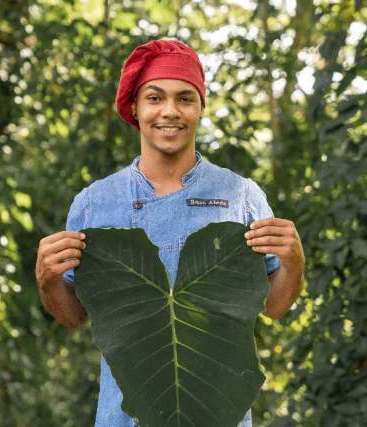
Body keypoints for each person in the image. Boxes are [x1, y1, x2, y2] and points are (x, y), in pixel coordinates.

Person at [35, 38, 305, 427]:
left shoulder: (240, 196)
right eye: (155, 98)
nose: (170, 112)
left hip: (218, 412)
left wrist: (294, 263)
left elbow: (274, 307)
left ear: (199, 109)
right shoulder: (96, 203)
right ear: (135, 108)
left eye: (185, 99)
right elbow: (74, 315)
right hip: (124, 416)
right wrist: (48, 281)